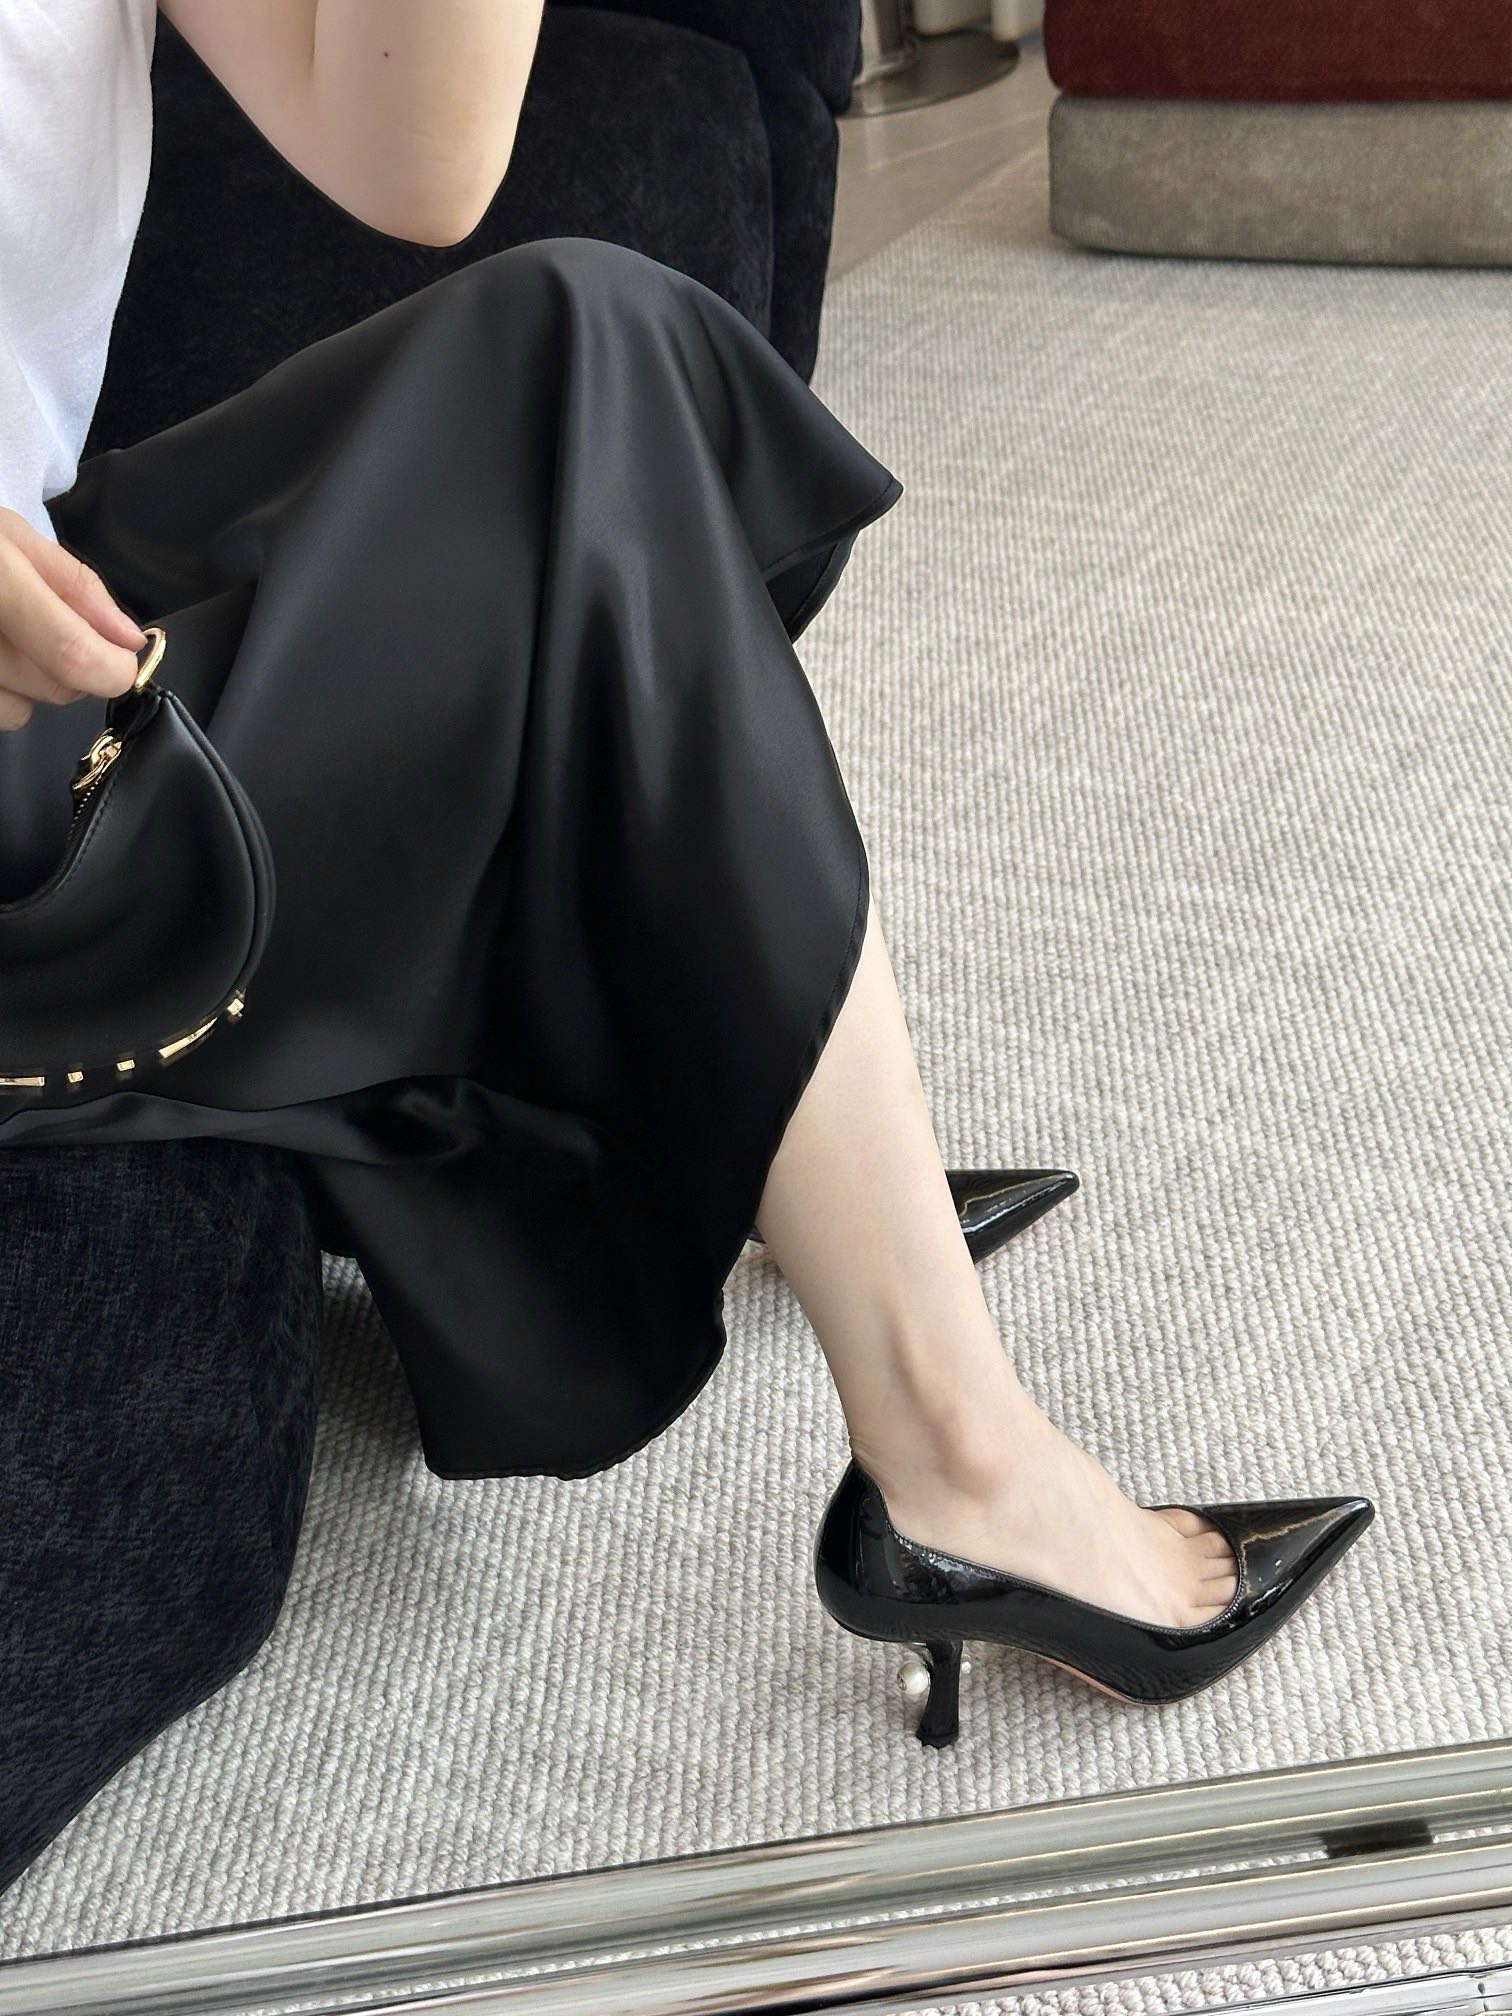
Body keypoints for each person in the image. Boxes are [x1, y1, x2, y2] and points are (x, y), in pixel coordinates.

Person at [0, 0, 1373, 1761]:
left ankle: (779, 1174)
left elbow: (418, 161)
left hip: (47, 616)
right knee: (563, 467)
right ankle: (956, 1455)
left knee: (581, 342)